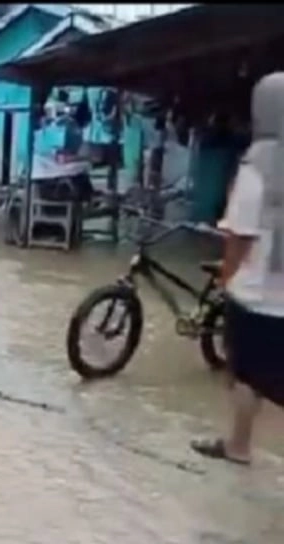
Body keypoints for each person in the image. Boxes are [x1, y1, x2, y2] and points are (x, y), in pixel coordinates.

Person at [190, 73, 284, 466]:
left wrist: (225, 278)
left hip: (256, 294)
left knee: (244, 374)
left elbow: (240, 235)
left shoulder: (257, 165)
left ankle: (239, 446)